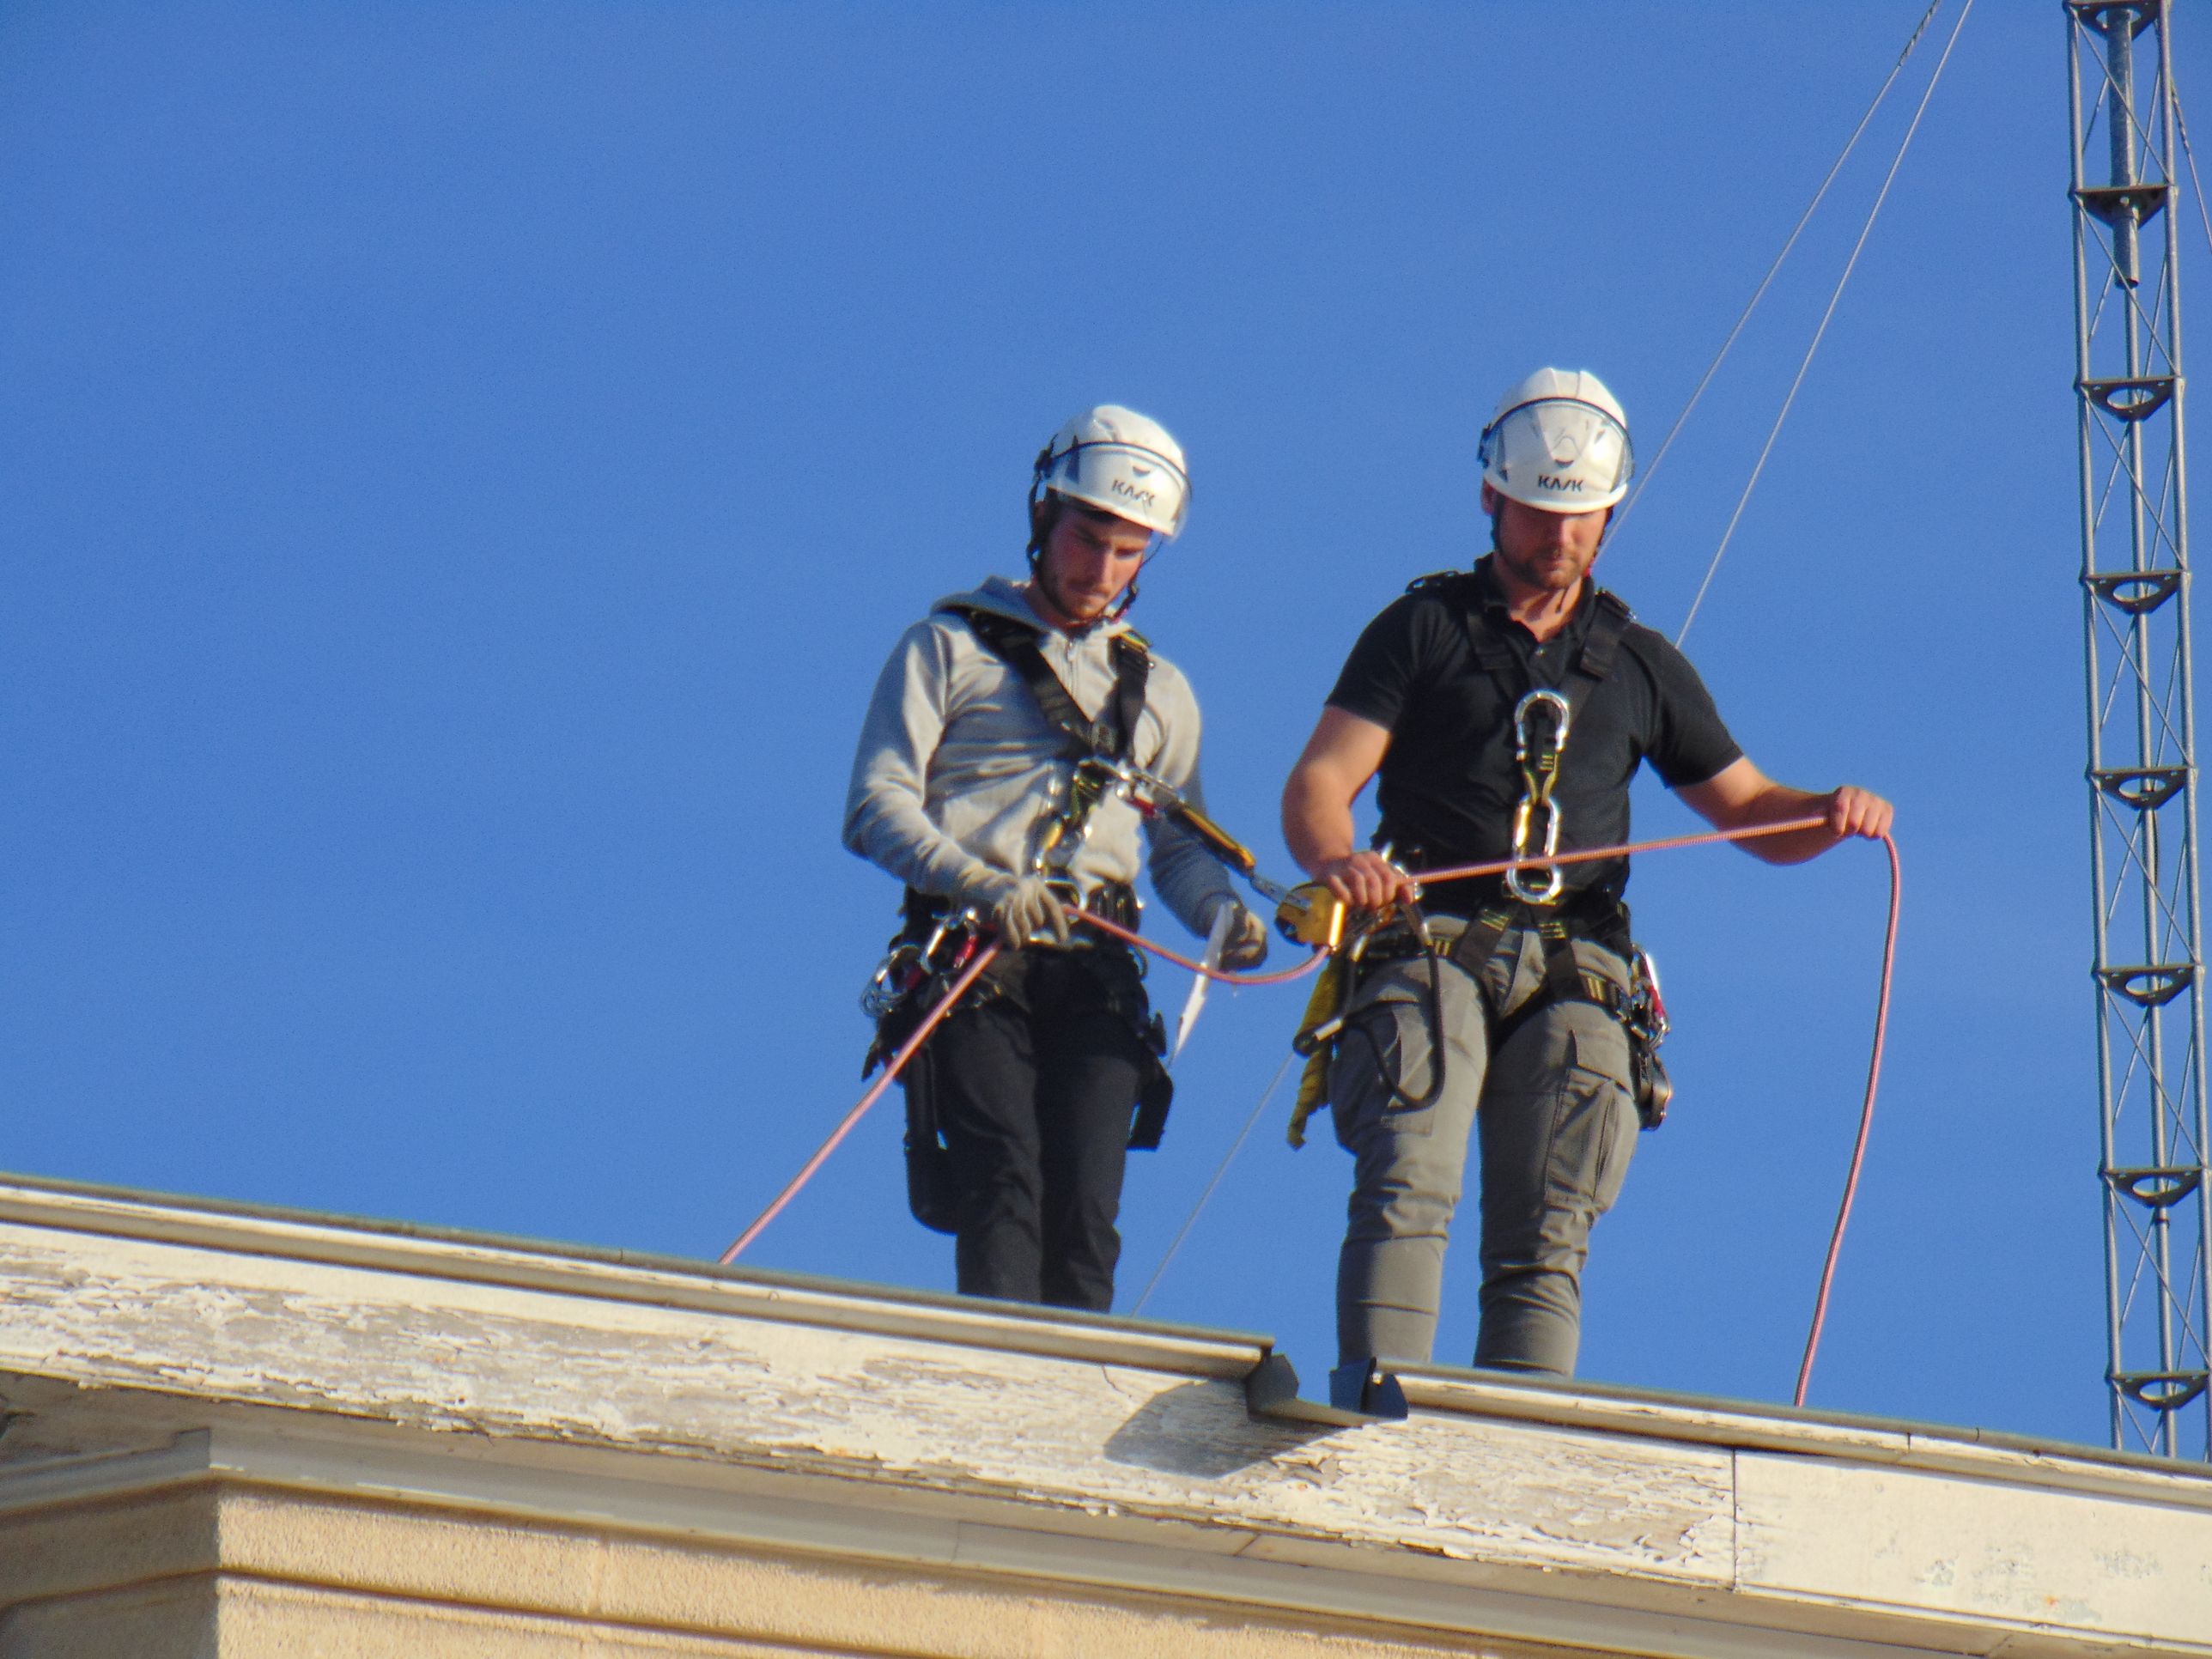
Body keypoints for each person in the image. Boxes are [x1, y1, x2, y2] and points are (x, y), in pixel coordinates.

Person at [1280, 368, 1893, 1384]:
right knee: (1410, 1162)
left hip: (1575, 968)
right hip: (1432, 939)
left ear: (1609, 514)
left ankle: (1520, 1435)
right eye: (1536, 512)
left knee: (1549, 1219)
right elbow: (1324, 776)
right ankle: (1380, 1398)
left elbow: (1744, 808)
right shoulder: (1423, 633)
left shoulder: (1638, 665)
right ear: (1492, 498)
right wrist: (1334, 858)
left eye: (1578, 516)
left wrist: (1825, 814)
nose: (1555, 538)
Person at [844, 404, 1269, 1310]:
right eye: (1088, 539)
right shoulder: (948, 647)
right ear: (1044, 518)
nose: (1101, 570)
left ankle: (1071, 1394)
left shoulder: (1158, 694)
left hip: (1097, 965)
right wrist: (982, 885)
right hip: (972, 956)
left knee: (1087, 1200)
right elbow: (874, 806)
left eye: (1129, 553)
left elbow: (1178, 849)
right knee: (1004, 1179)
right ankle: (1001, 1381)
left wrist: (1220, 916)